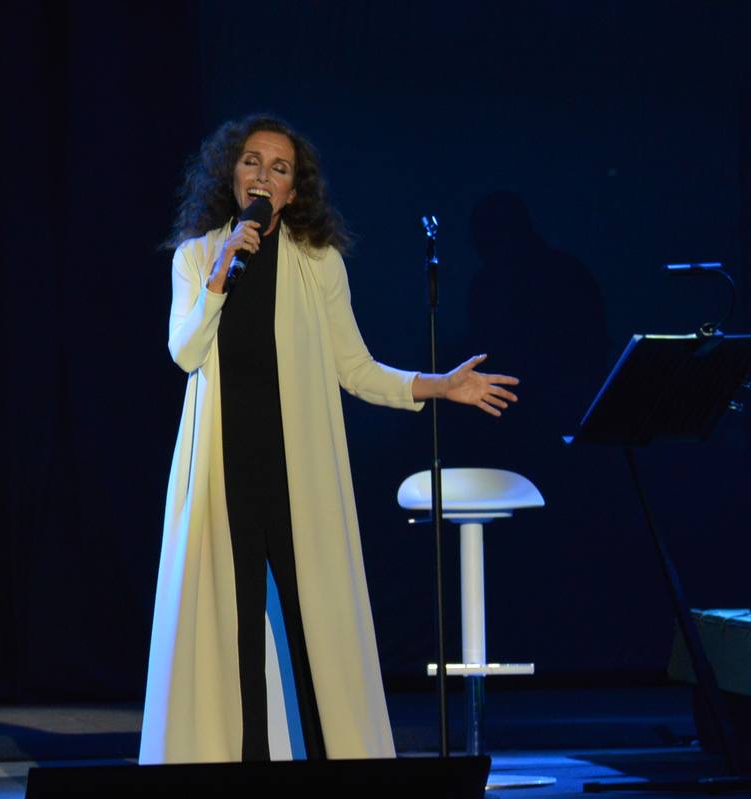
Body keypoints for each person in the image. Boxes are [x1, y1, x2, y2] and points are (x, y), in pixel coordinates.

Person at [140, 116, 519, 764]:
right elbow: (185, 353)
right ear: (231, 174)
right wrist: (221, 273)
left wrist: (438, 385)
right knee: (230, 632)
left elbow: (356, 370)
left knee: (313, 625)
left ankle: (333, 774)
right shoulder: (198, 256)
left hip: (297, 473)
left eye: (279, 168)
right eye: (253, 162)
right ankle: (237, 771)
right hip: (221, 475)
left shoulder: (320, 264)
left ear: (294, 190)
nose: (263, 176)